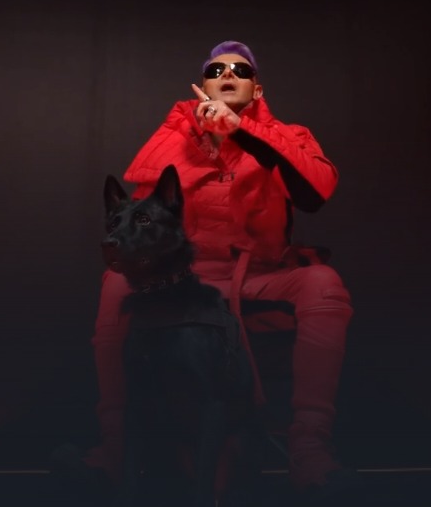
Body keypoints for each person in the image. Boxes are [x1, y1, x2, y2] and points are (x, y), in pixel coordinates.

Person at [84, 40, 357, 498]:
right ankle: (114, 448)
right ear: (203, 86)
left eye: (240, 70)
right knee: (115, 283)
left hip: (260, 272)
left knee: (323, 283)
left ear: (257, 89)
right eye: (217, 69)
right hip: (186, 279)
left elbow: (314, 194)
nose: (228, 74)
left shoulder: (289, 134)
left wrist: (242, 131)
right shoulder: (171, 138)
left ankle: (309, 448)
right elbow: (143, 223)